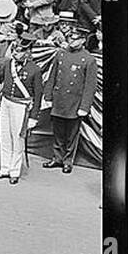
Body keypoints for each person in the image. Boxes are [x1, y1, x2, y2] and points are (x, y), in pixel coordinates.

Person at [0, 31, 45, 184]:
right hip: (6, 102)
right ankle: (4, 168)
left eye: (20, 50)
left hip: (22, 106)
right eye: (15, 50)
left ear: (28, 52)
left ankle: (15, 171)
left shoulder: (35, 70)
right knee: (5, 136)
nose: (16, 53)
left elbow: (39, 96)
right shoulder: (8, 64)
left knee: (17, 139)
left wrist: (33, 116)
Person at [43, 17, 98, 173]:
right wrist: (48, 97)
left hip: (74, 103)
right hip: (59, 99)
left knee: (71, 134)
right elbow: (52, 77)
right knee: (58, 131)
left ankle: (68, 160)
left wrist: (84, 107)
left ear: (82, 40)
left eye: (76, 39)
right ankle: (57, 158)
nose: (72, 41)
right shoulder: (60, 54)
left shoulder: (88, 59)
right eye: (70, 38)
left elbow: (90, 87)